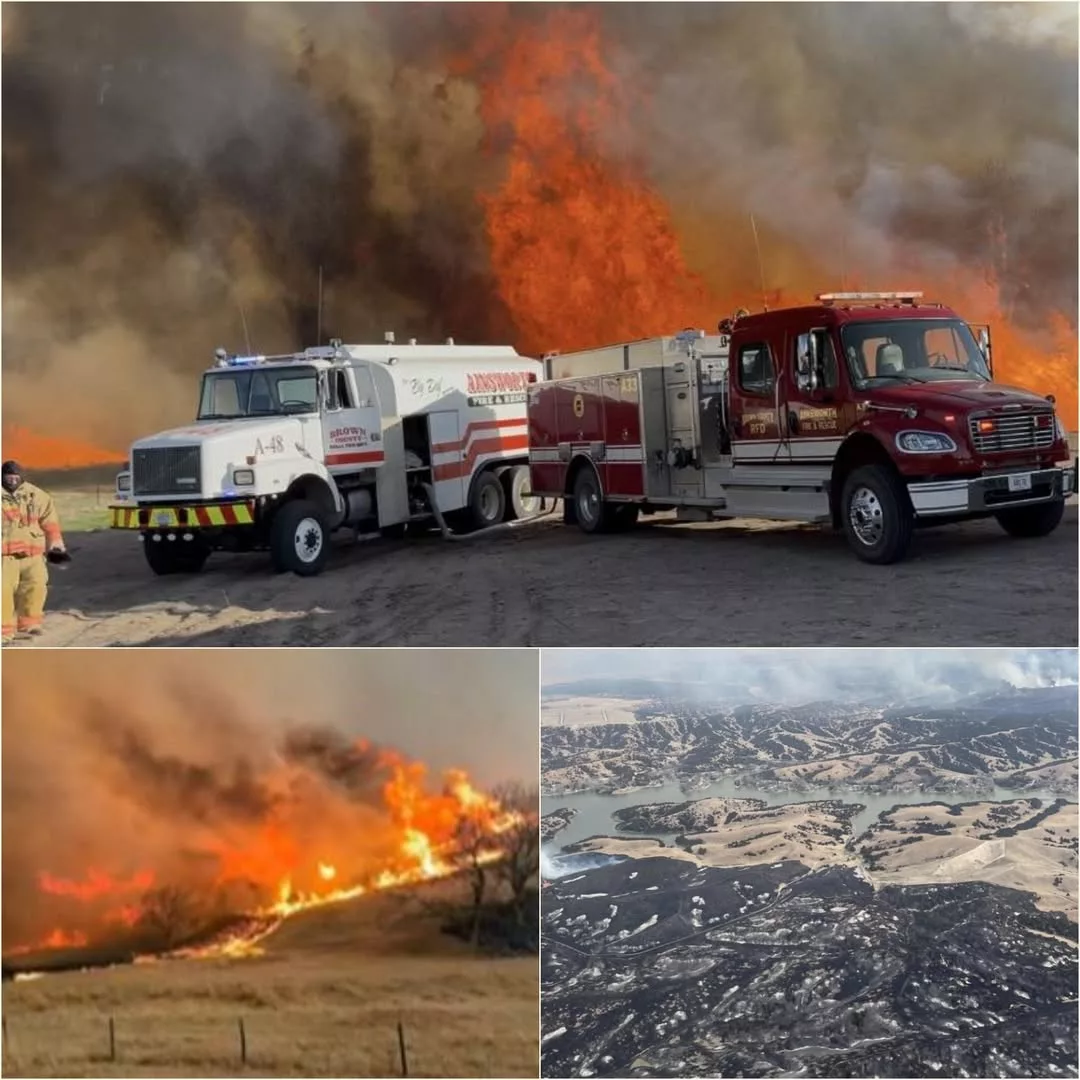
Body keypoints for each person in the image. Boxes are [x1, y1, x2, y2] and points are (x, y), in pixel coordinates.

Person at [2, 461, 65, 643]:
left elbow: (50, 523)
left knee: (36, 588)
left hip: (33, 556)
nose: (12, 481)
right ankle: (4, 632)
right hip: (4, 558)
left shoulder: (38, 496)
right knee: (3, 592)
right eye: (8, 477)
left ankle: (30, 624)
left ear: (22, 476)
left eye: (15, 477)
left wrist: (56, 545)